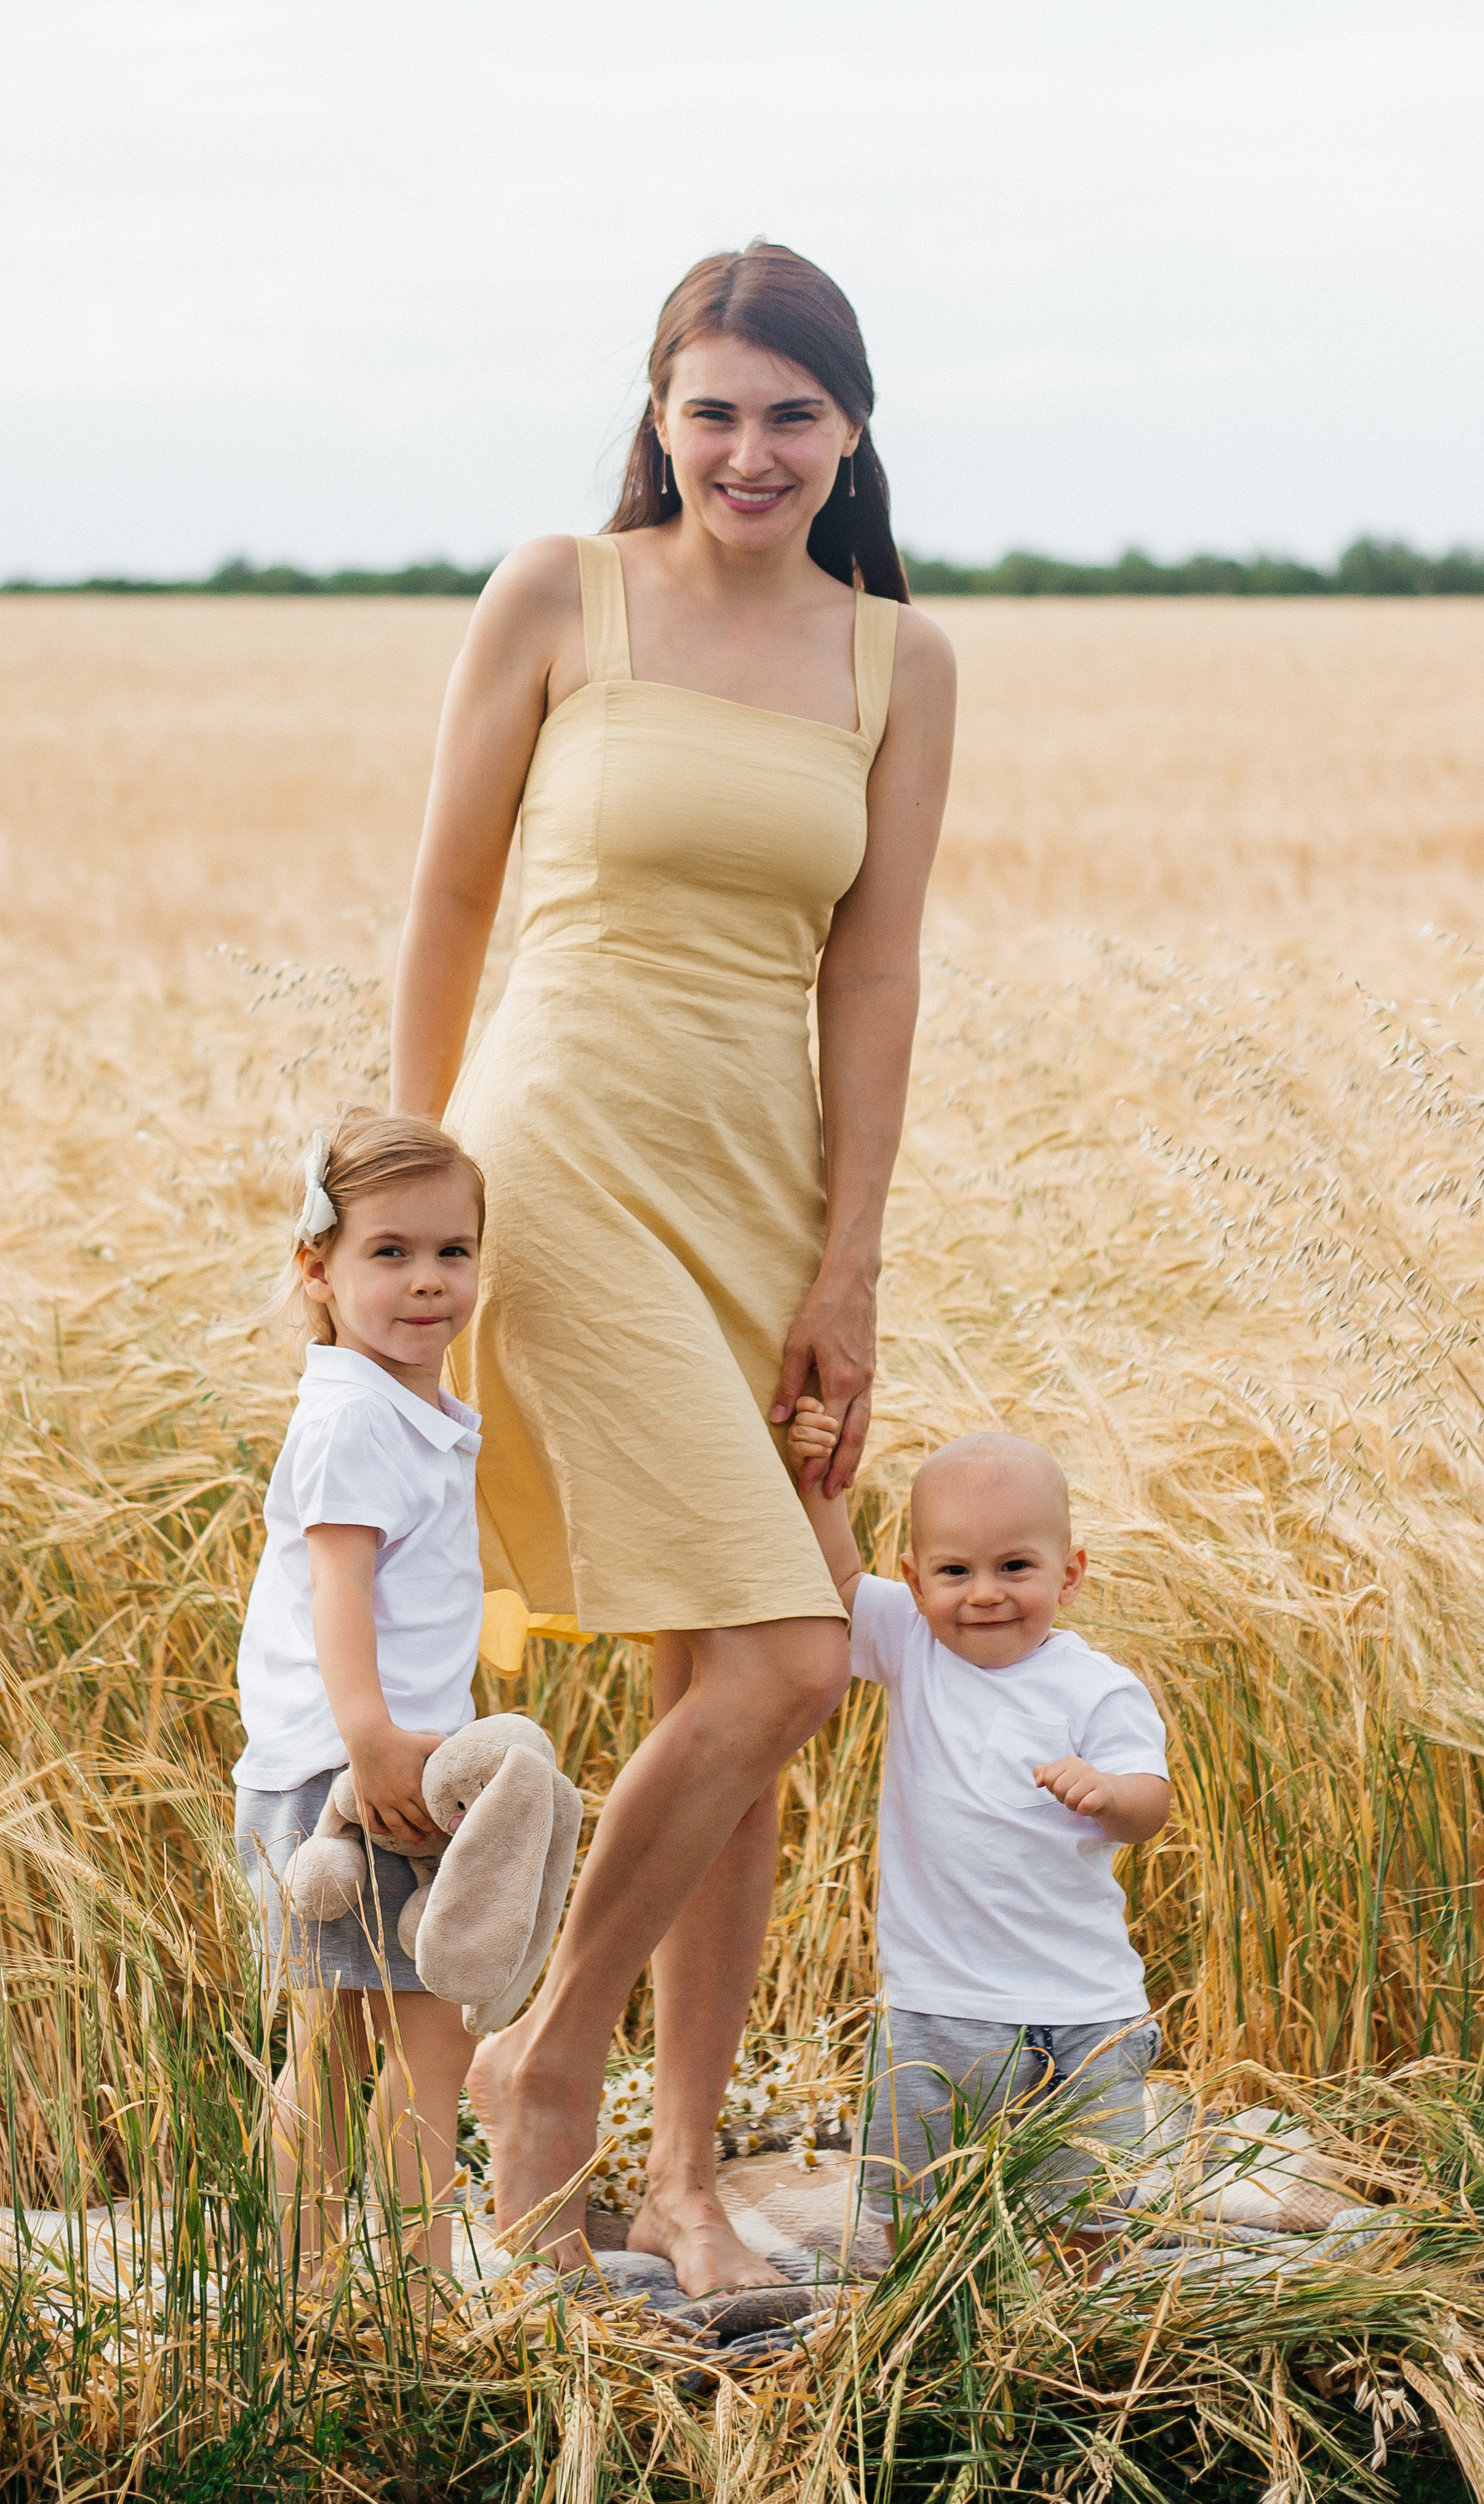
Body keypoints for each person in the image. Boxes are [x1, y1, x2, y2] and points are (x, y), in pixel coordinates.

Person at [388, 240, 956, 2289]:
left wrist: (851, 1267)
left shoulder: (898, 662)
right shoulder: (560, 595)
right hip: (564, 1160)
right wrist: (399, 1201)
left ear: (852, 430)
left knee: (733, 1690)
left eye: (791, 412)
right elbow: (450, 894)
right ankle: (548, 2067)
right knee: (794, 1651)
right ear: (658, 413)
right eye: (711, 407)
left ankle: (687, 2178)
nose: (748, 448)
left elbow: (873, 971)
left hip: (763, 1199)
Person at [786, 1404, 1171, 2231]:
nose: (984, 1594)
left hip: (1084, 2005)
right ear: (915, 1579)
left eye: (1015, 1568)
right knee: (917, 2201)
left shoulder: (1096, 1688)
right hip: (939, 2000)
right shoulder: (912, 1646)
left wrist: (1106, 1793)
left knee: (1087, 2208)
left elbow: (1150, 1802)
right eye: (954, 1571)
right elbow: (839, 1582)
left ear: (1070, 1574)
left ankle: (1077, 2327)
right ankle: (920, 2321)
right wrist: (820, 1486)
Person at [232, 1109, 489, 2276]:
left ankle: (387, 2290)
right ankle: (329, 2290)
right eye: (389, 1253)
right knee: (363, 2042)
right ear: (319, 1272)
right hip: (347, 1775)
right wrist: (373, 1743)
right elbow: (338, 1593)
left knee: (413, 2034)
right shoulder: (350, 1417)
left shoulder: (408, 1409)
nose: (426, 1281)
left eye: (452, 1252)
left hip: (396, 1762)